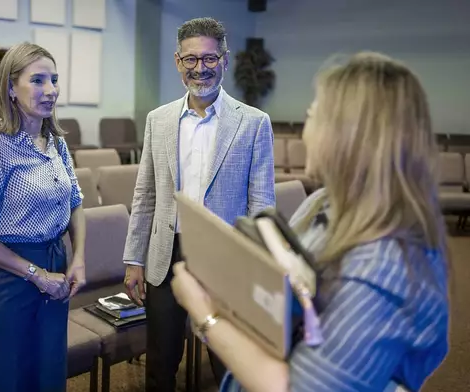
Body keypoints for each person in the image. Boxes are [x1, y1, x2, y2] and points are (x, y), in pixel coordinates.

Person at [171, 52, 450, 392]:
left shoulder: (384, 264)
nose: (305, 131)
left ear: (346, 138)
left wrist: (206, 315)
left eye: (313, 116)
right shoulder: (323, 203)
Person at [123, 17, 276, 392]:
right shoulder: (158, 120)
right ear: (178, 62)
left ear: (224, 60)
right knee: (161, 360)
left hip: (226, 258)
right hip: (167, 256)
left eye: (209, 59)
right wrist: (133, 259)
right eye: (191, 60)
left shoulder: (253, 123)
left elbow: (262, 204)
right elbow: (145, 196)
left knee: (228, 363)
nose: (200, 69)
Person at [0, 42, 86, 392]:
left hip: (54, 267)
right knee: (7, 375)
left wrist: (79, 260)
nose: (51, 90)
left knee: (47, 370)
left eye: (54, 80)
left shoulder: (54, 141)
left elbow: (75, 201)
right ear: (11, 88)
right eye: (38, 80)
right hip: (7, 278)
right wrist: (37, 274)